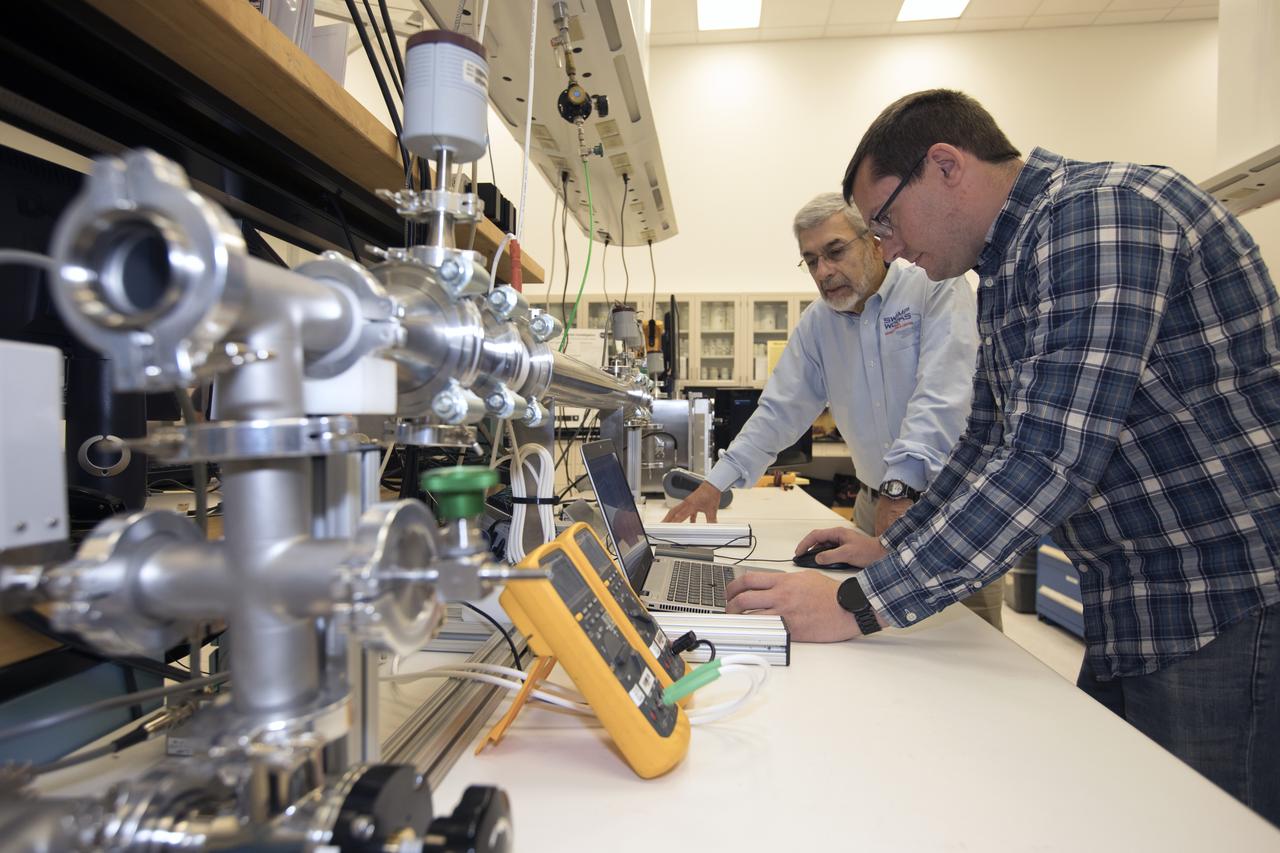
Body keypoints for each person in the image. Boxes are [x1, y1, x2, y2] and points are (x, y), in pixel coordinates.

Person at [726, 89, 1280, 826]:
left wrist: (857, 604)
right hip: (1136, 599)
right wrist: (894, 546)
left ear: (945, 166)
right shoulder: (1010, 266)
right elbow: (987, 440)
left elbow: (1048, 458)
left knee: (1204, 829)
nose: (887, 247)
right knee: (1123, 818)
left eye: (884, 220)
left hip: (1224, 596)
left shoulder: (1099, 217)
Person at [664, 192, 1004, 630]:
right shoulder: (818, 324)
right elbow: (778, 412)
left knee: (970, 640)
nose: (823, 271)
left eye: (835, 251)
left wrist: (900, 487)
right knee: (879, 643)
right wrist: (716, 484)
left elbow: (941, 396)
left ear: (875, 241)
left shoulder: (933, 288)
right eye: (811, 261)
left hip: (954, 506)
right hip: (874, 504)